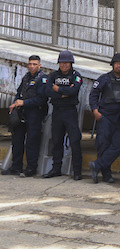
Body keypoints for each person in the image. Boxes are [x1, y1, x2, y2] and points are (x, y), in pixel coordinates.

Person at [88, 52, 120, 184]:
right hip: (106, 116)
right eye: (117, 64)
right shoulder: (104, 78)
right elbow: (93, 94)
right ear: (113, 65)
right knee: (103, 145)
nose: (119, 66)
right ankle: (106, 174)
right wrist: (95, 111)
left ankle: (97, 165)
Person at [3, 55, 48, 177]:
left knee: (32, 141)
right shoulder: (26, 77)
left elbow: (41, 99)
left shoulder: (43, 79)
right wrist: (15, 103)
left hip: (35, 113)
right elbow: (19, 93)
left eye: (34, 64)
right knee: (17, 140)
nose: (32, 66)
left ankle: (31, 168)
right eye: (30, 64)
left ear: (39, 65)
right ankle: (16, 167)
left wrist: (24, 102)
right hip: (21, 113)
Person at [43, 50, 83, 180]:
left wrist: (58, 89)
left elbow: (73, 91)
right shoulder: (53, 75)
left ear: (71, 63)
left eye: (67, 63)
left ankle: (77, 171)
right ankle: (56, 169)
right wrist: (62, 94)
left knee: (75, 140)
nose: (64, 65)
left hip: (70, 111)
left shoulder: (76, 75)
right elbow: (48, 90)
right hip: (57, 111)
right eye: (62, 62)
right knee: (56, 140)